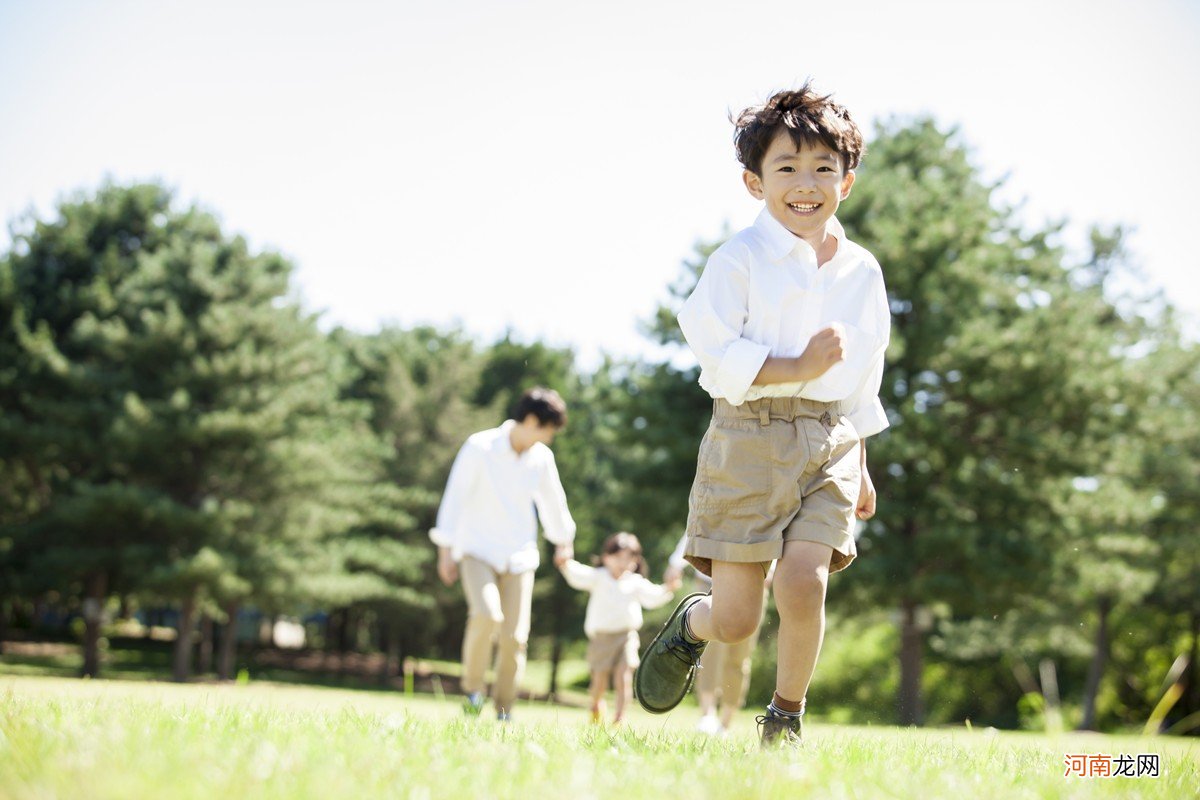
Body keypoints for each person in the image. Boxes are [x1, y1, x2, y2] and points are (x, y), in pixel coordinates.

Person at [635, 83, 890, 747]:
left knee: (804, 583)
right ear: (754, 182)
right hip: (747, 435)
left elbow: (864, 376)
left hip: (831, 439)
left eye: (823, 169)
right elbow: (715, 358)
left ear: (848, 181)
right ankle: (696, 623)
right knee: (740, 619)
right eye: (787, 168)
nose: (806, 184)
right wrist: (795, 366)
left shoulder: (863, 272)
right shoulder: (738, 260)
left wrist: (859, 460)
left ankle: (784, 717)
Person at [431, 387, 576, 721]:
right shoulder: (480, 447)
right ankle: (472, 691)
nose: (549, 439)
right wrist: (445, 550)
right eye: (547, 430)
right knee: (486, 615)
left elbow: (554, 502)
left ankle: (504, 711)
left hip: (519, 556)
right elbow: (454, 497)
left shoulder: (541, 458)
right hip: (476, 551)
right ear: (529, 420)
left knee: (515, 637)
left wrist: (563, 540)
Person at [560, 532, 680, 725]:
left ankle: (620, 717)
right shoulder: (598, 577)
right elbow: (578, 574)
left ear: (636, 561)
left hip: (626, 636)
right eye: (618, 557)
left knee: (624, 676)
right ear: (606, 557)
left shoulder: (635, 582)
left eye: (629, 558)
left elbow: (653, 596)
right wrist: (565, 564)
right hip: (601, 637)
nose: (622, 563)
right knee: (599, 679)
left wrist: (668, 588)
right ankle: (596, 704)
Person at [664, 532, 772, 735]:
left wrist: (771, 569)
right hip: (710, 579)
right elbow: (697, 523)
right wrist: (675, 563)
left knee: (739, 656)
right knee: (709, 650)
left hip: (753, 581)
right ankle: (707, 715)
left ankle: (726, 723)